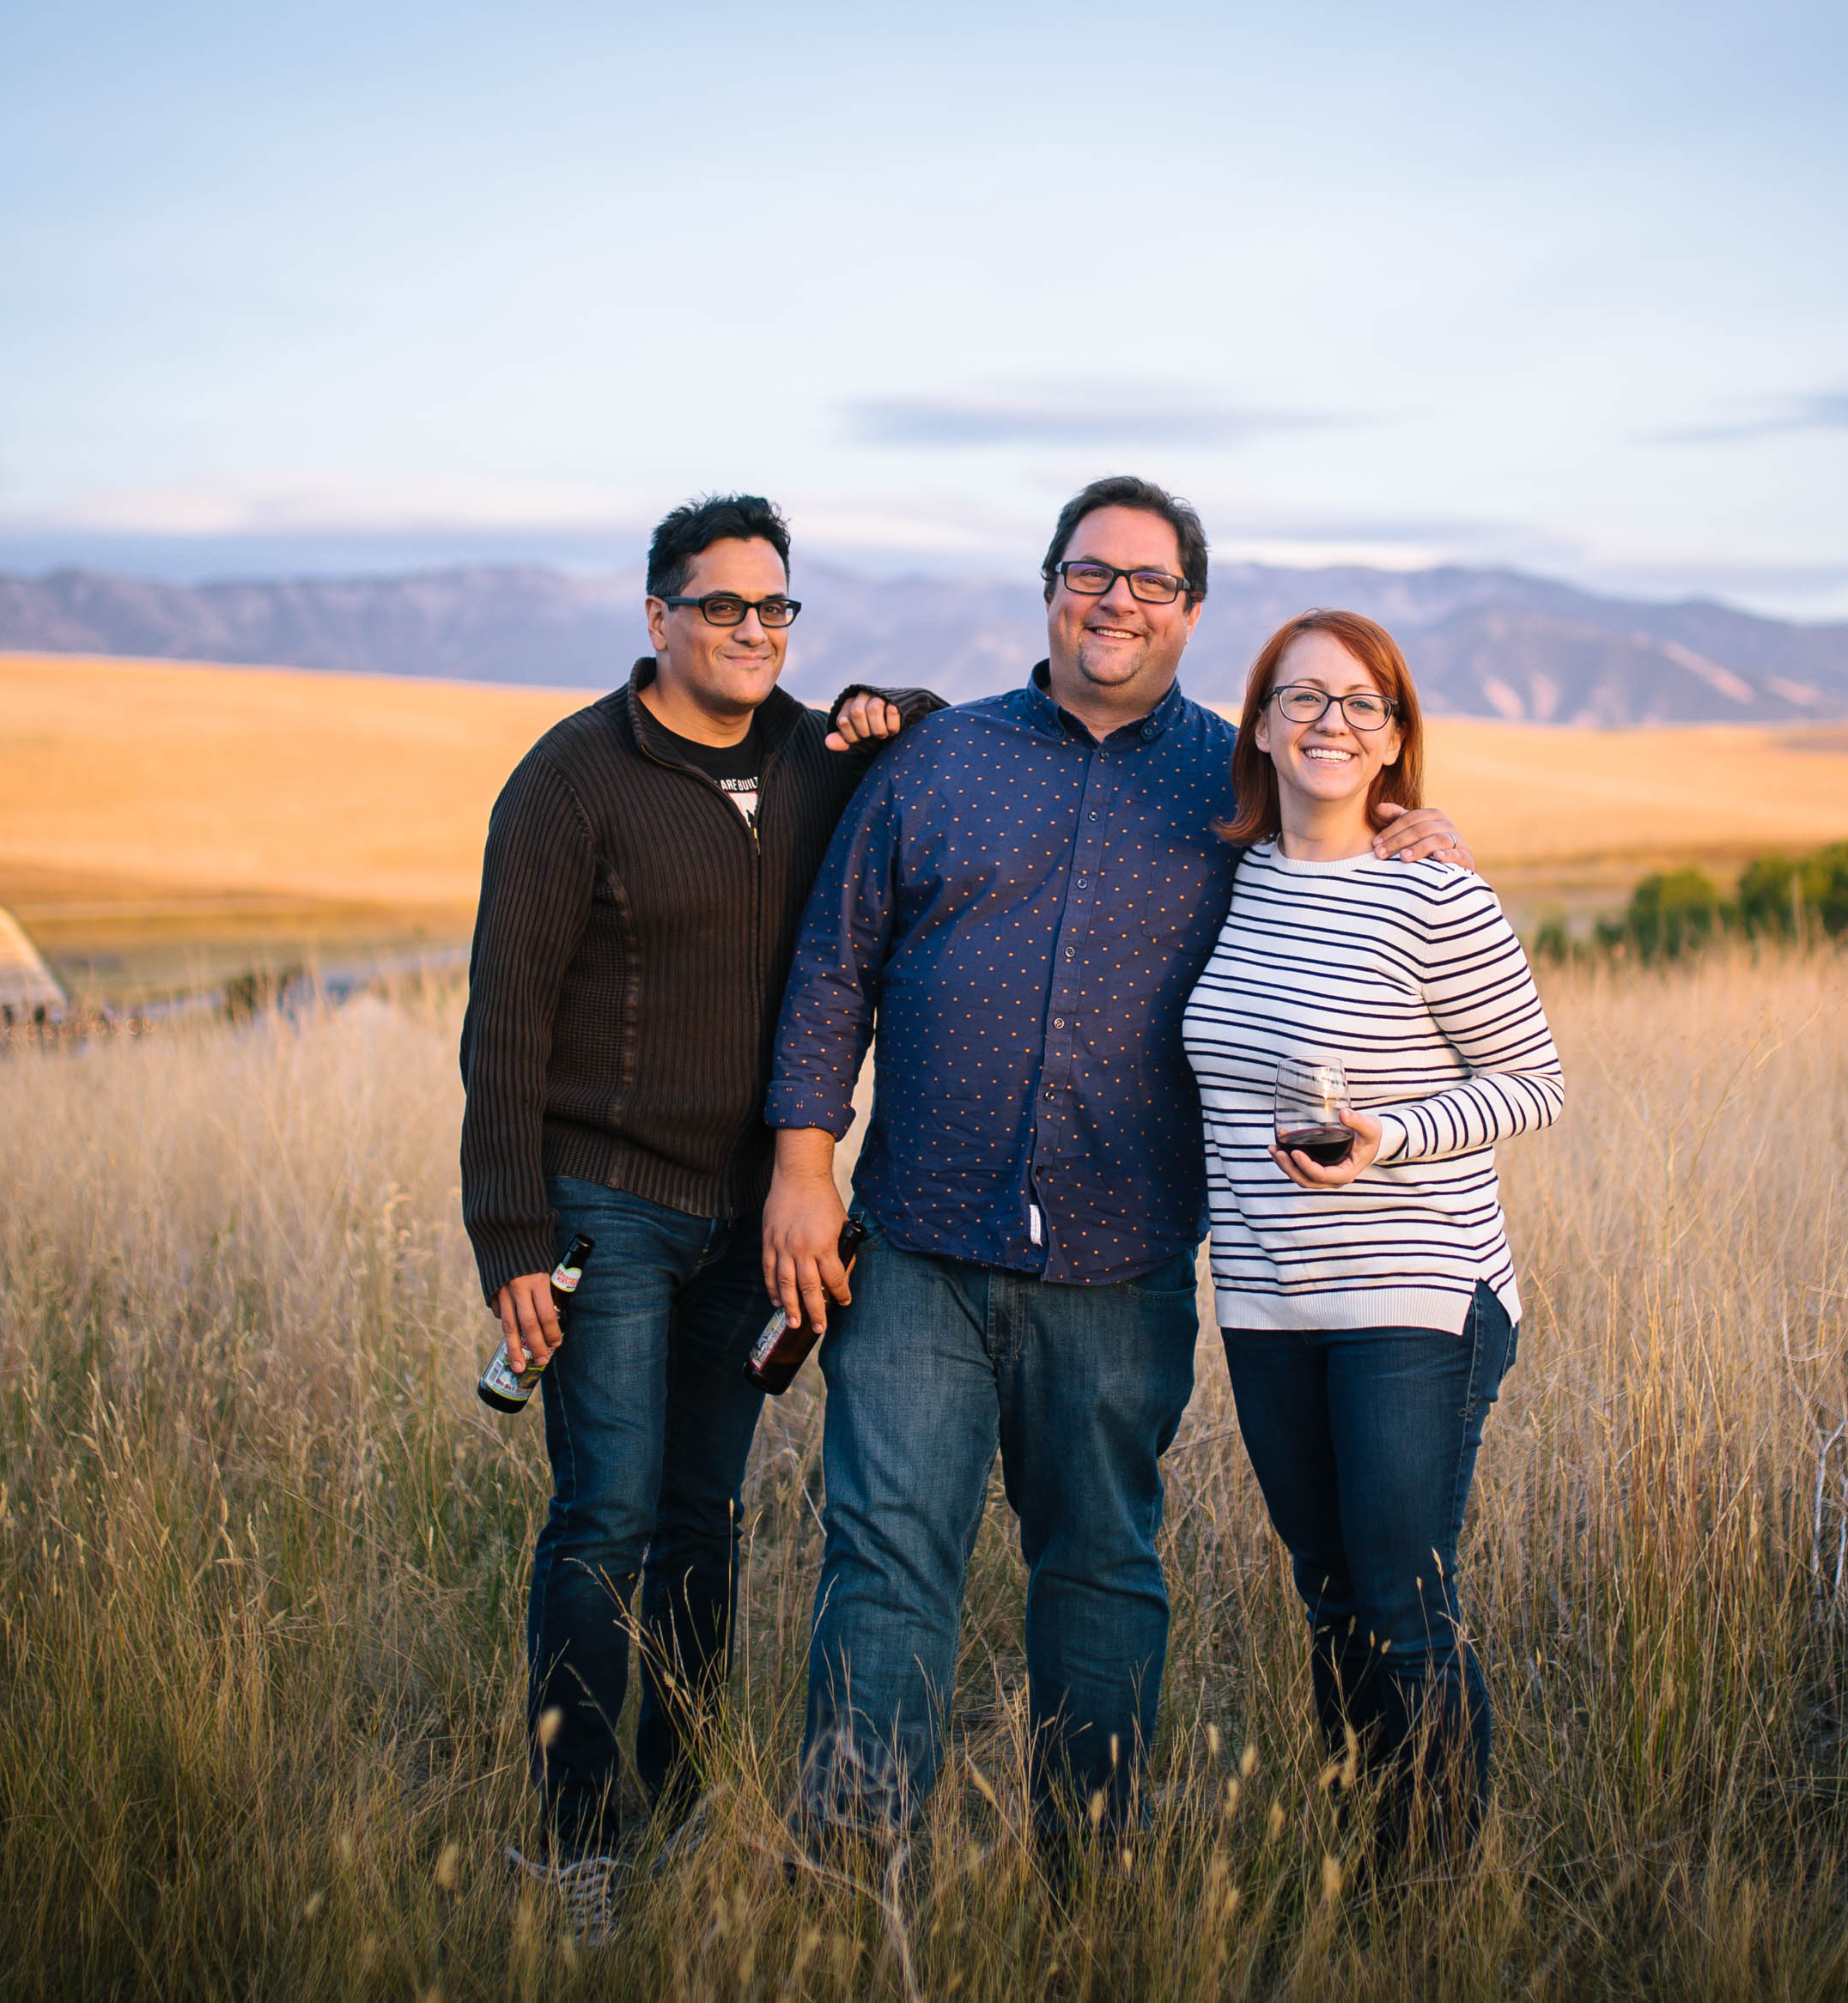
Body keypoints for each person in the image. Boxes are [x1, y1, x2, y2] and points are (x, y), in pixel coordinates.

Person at [762, 476, 1474, 1848]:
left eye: (1152, 584)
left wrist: (1410, 830)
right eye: (1094, 573)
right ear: (1048, 589)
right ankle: (852, 1883)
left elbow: (1351, 851)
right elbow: (833, 966)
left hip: (1122, 1253)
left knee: (1098, 1568)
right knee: (885, 1559)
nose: (1118, 602)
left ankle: (1093, 1880)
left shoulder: (1241, 784)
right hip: (914, 1243)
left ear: (1194, 614)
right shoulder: (939, 760)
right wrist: (804, 1169)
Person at [457, 495, 937, 1921]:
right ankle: (575, 1840)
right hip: (608, 1207)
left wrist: (886, 702)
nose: (751, 632)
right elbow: (506, 1023)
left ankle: (670, 1808)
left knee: (704, 1518)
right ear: (656, 614)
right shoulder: (572, 778)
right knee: (604, 1514)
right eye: (721, 606)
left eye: (776, 608)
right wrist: (511, 1235)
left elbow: (941, 734)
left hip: (757, 1218)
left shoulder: (810, 754)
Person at [1179, 609, 1564, 1859]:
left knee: (1404, 1600)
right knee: (1330, 1599)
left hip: (1418, 1293)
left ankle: (1438, 1893)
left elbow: (1535, 1082)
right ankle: (1365, 1863)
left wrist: (1389, 1134)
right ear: (1259, 724)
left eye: (1362, 704)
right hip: (1268, 1301)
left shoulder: (1433, 893)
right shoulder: (1225, 879)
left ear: (1395, 737)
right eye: (1304, 699)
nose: (1331, 723)